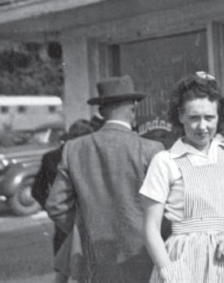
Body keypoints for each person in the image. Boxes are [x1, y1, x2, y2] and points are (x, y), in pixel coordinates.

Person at [46, 75, 165, 282]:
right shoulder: (150, 149)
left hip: (94, 257)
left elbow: (56, 204)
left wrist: (84, 231)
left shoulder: (74, 149)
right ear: (133, 108)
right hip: (142, 256)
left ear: (101, 111)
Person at [141, 72, 224, 282]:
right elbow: (151, 229)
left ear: (219, 116)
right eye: (194, 118)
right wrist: (171, 272)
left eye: (209, 117)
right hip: (181, 264)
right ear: (180, 116)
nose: (202, 126)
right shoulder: (165, 161)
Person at [31, 119, 94, 283]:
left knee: (66, 271)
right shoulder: (56, 158)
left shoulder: (52, 156)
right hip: (72, 219)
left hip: (64, 218)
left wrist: (55, 209)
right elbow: (37, 189)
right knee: (75, 269)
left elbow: (37, 190)